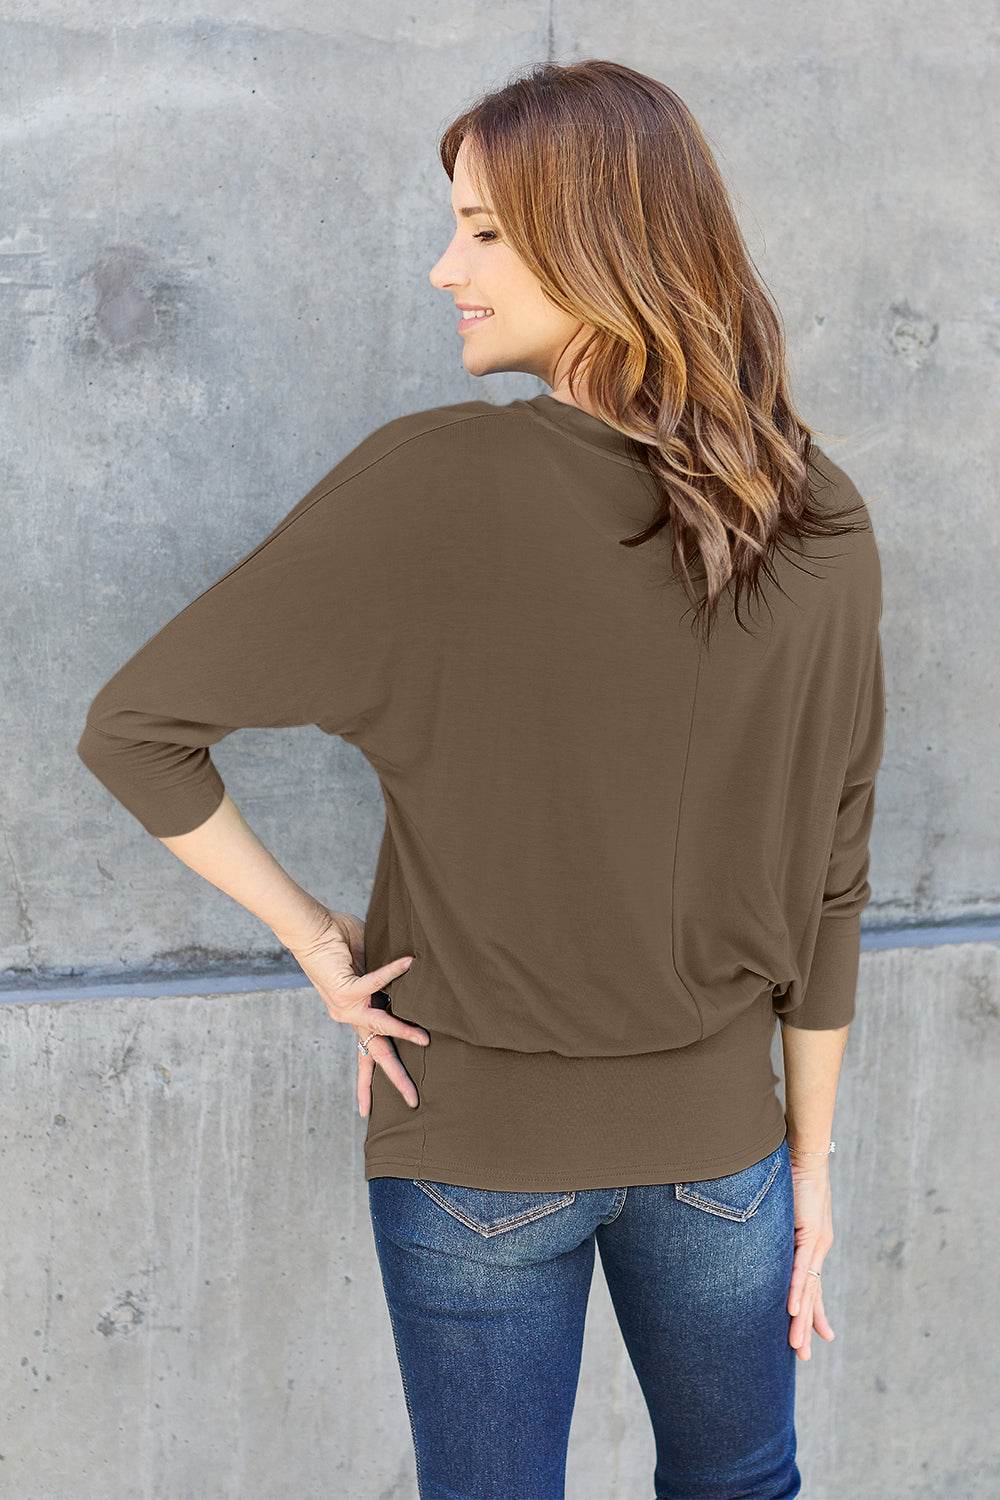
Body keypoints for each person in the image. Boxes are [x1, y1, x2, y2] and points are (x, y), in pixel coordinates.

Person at [76, 57, 886, 1500]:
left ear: (605, 239)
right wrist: (809, 1167)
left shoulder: (432, 484)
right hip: (726, 1151)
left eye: (487, 232)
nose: (447, 269)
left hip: (474, 1154)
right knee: (746, 1483)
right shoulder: (815, 511)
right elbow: (836, 871)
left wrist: (319, 947)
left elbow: (133, 729)